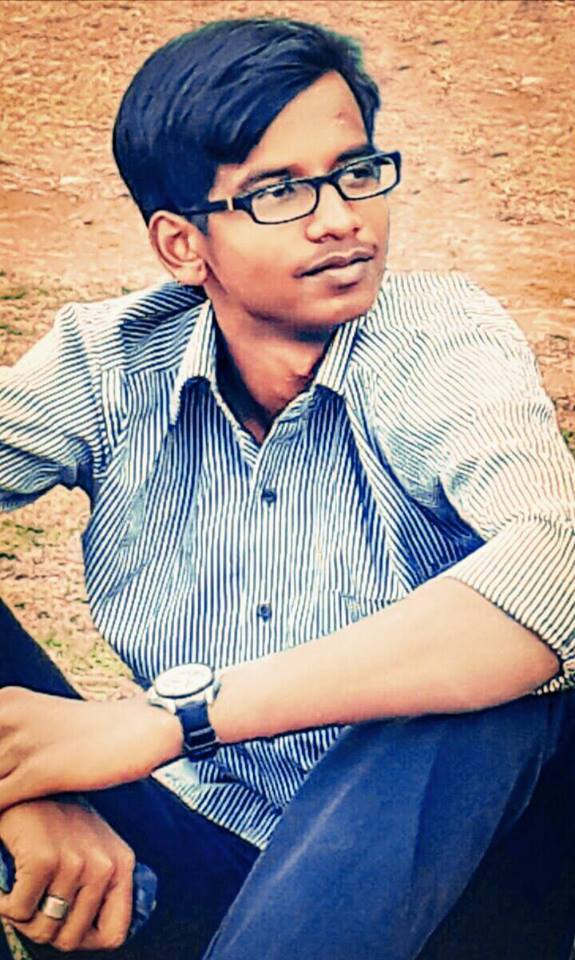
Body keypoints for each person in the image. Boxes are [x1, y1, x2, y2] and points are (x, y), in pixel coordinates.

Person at [0, 16, 574, 960]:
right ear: (182, 245)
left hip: (456, 880)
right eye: (278, 192)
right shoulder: (107, 365)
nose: (341, 217)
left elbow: (557, 568)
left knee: (495, 683)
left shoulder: (437, 341)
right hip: (208, 844)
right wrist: (32, 793)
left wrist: (173, 720)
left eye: (355, 172)